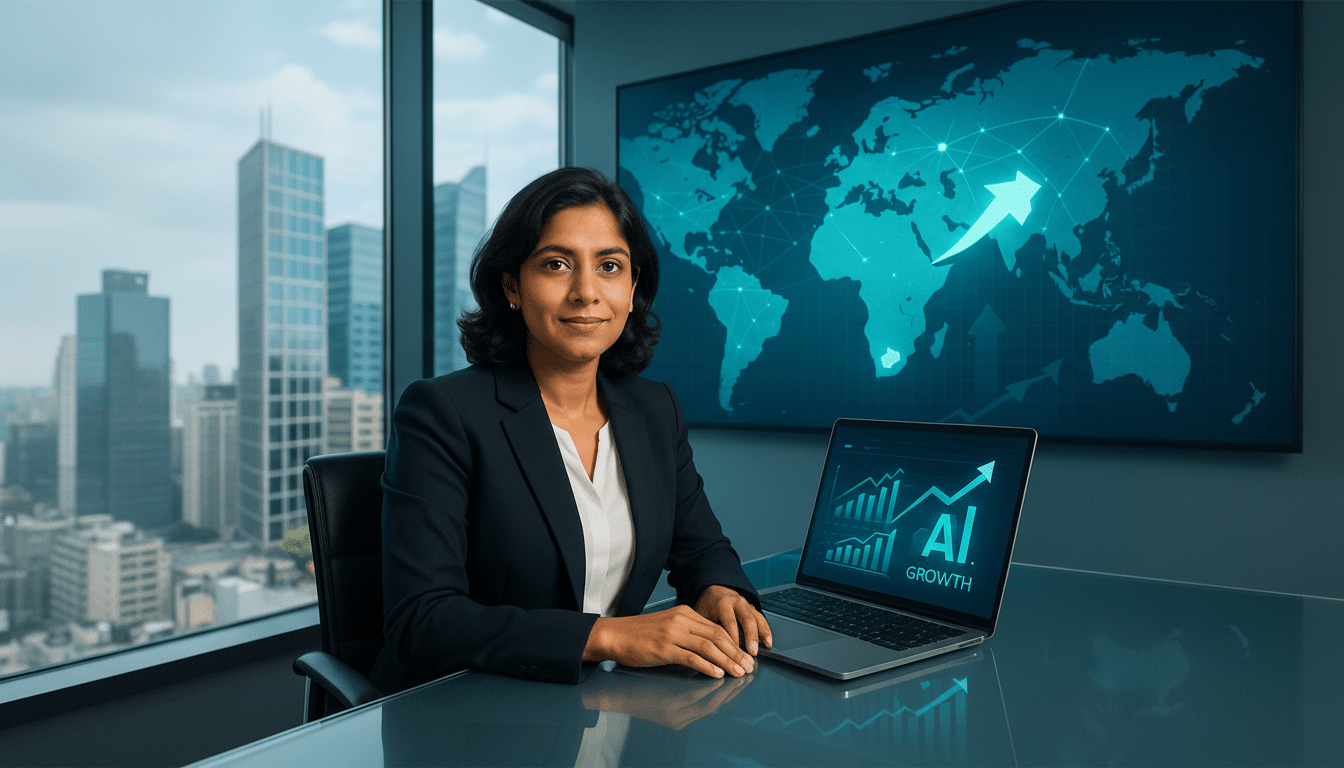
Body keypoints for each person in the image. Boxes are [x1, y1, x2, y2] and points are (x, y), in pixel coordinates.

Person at [370, 167, 771, 691]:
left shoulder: (655, 409)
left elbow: (702, 548)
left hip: (601, 705)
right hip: (466, 713)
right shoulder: (442, 412)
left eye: (609, 266)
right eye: (556, 264)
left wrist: (721, 590)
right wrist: (608, 637)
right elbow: (421, 621)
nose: (586, 292)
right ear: (512, 285)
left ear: (632, 289)